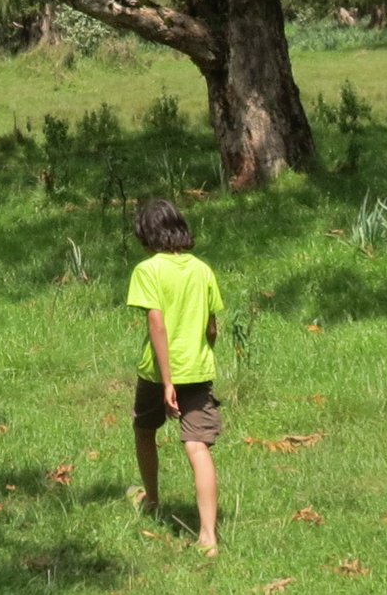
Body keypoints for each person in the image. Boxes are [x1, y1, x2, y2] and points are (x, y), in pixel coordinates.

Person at [127, 197, 223, 555]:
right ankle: (209, 537)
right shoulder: (202, 270)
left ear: (147, 235)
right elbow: (213, 328)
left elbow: (156, 324)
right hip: (198, 371)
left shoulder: (148, 271)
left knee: (144, 430)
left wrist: (167, 381)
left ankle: (152, 498)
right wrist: (201, 354)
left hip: (157, 373)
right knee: (197, 447)